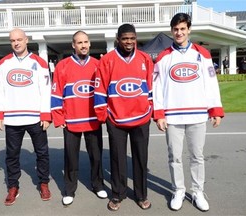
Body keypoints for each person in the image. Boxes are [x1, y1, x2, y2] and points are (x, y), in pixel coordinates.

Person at [153, 13, 224, 212]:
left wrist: (215, 110)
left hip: (198, 114)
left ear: (189, 29)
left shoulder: (203, 54)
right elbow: (156, 87)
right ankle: (178, 190)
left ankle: (197, 191)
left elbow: (211, 84)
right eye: (176, 29)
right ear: (171, 31)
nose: (179, 32)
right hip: (172, 116)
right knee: (174, 156)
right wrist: (159, 114)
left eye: (183, 29)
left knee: (197, 156)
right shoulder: (163, 56)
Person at [94, 23, 153, 211]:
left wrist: (151, 109)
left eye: (132, 38)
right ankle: (118, 194)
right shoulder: (107, 60)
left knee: (140, 158)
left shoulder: (145, 58)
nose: (129, 42)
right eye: (125, 38)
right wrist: (103, 115)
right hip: (116, 119)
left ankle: (141, 194)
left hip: (141, 118)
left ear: (136, 38)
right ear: (118, 39)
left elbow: (151, 88)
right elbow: (100, 89)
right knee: (117, 159)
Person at [0, 28, 52, 206]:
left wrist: (46, 114)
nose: (16, 43)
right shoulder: (3, 63)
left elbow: (45, 90)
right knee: (11, 155)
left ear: (26, 40)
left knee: (42, 153)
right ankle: (12, 187)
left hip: (35, 117)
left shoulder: (39, 62)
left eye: (19, 39)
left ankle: (43, 183)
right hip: (12, 118)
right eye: (12, 40)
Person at [51, 30, 107, 206]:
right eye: (79, 42)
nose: (83, 45)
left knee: (96, 157)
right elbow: (56, 92)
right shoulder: (62, 66)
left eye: (86, 42)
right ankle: (69, 189)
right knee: (71, 157)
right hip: (71, 120)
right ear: (73, 45)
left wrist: (104, 114)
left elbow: (105, 91)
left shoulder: (99, 65)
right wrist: (58, 117)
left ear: (89, 44)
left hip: (93, 119)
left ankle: (98, 184)